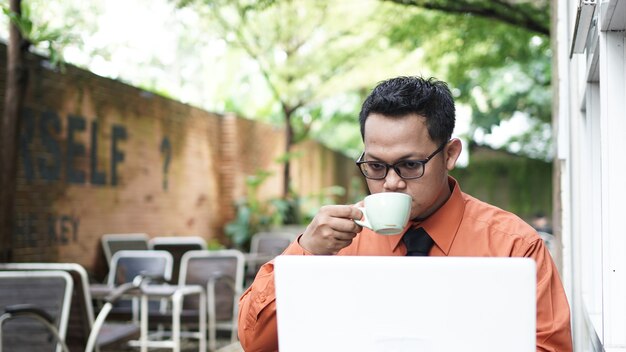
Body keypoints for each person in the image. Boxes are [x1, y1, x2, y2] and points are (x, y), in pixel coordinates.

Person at [238, 76, 573, 352]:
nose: (391, 183)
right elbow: (255, 343)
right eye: (375, 166)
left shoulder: (514, 247)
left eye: (410, 165)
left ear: (450, 154)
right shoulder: (336, 243)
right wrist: (304, 253)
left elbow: (550, 347)